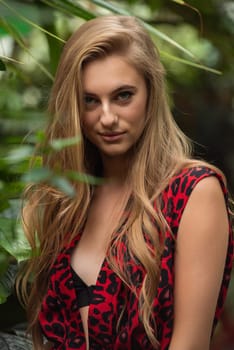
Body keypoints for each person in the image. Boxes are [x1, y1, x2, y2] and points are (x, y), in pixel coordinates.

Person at [19, 15, 233, 350]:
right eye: (90, 100)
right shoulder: (66, 199)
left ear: (150, 93)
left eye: (123, 96)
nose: (106, 117)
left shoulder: (193, 192)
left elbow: (189, 344)